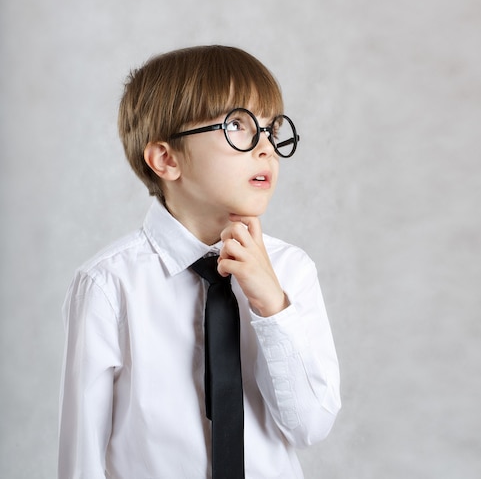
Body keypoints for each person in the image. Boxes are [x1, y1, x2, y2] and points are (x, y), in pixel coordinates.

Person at [58, 45, 341, 478]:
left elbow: (311, 426)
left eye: (271, 129)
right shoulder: (109, 285)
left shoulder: (291, 270)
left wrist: (271, 305)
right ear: (166, 159)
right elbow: (82, 453)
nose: (265, 147)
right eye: (238, 126)